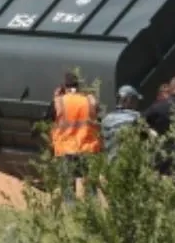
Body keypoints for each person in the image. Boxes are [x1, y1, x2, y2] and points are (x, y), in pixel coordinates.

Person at [51, 71, 101, 203]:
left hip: (66, 149)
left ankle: (71, 213)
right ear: (78, 86)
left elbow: (50, 118)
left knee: (68, 189)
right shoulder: (89, 101)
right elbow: (98, 114)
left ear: (64, 87)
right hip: (88, 148)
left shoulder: (59, 101)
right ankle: (92, 213)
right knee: (91, 189)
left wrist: (56, 96)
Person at [100, 84, 144, 162]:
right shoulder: (137, 117)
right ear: (129, 100)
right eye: (135, 100)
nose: (136, 104)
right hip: (129, 163)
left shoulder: (106, 119)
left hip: (109, 163)